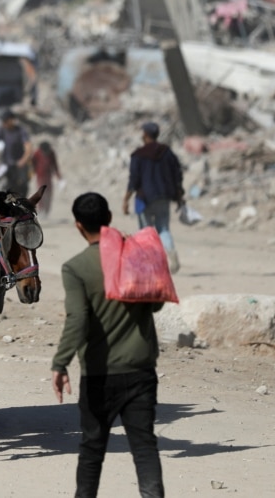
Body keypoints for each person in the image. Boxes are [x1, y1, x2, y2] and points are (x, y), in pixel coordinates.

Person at [51, 192, 165, 498]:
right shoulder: (134, 255)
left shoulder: (75, 268)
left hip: (99, 375)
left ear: (78, 226)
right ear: (110, 219)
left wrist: (60, 364)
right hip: (141, 370)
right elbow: (154, 306)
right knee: (144, 447)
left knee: (92, 450)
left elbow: (78, 320)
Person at [123, 122, 183, 274]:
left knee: (145, 232)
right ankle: (171, 254)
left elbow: (134, 179)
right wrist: (179, 195)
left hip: (144, 199)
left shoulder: (138, 155)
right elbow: (177, 174)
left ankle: (149, 264)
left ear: (145, 135)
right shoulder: (167, 152)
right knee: (163, 229)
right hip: (164, 196)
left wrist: (126, 199)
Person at [0, 110, 33, 196]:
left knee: (22, 186)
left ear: (12, 120)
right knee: (2, 185)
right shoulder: (2, 130)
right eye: (3, 121)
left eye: (5, 121)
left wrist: (23, 160)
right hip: (6, 163)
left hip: (19, 164)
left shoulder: (20, 131)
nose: (3, 123)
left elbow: (28, 147)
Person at [32, 140, 61, 218]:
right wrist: (33, 172)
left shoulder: (51, 153)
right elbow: (33, 163)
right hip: (40, 176)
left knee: (49, 194)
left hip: (48, 176)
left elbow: (55, 164)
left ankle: (47, 211)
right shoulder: (37, 153)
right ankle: (41, 210)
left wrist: (58, 175)